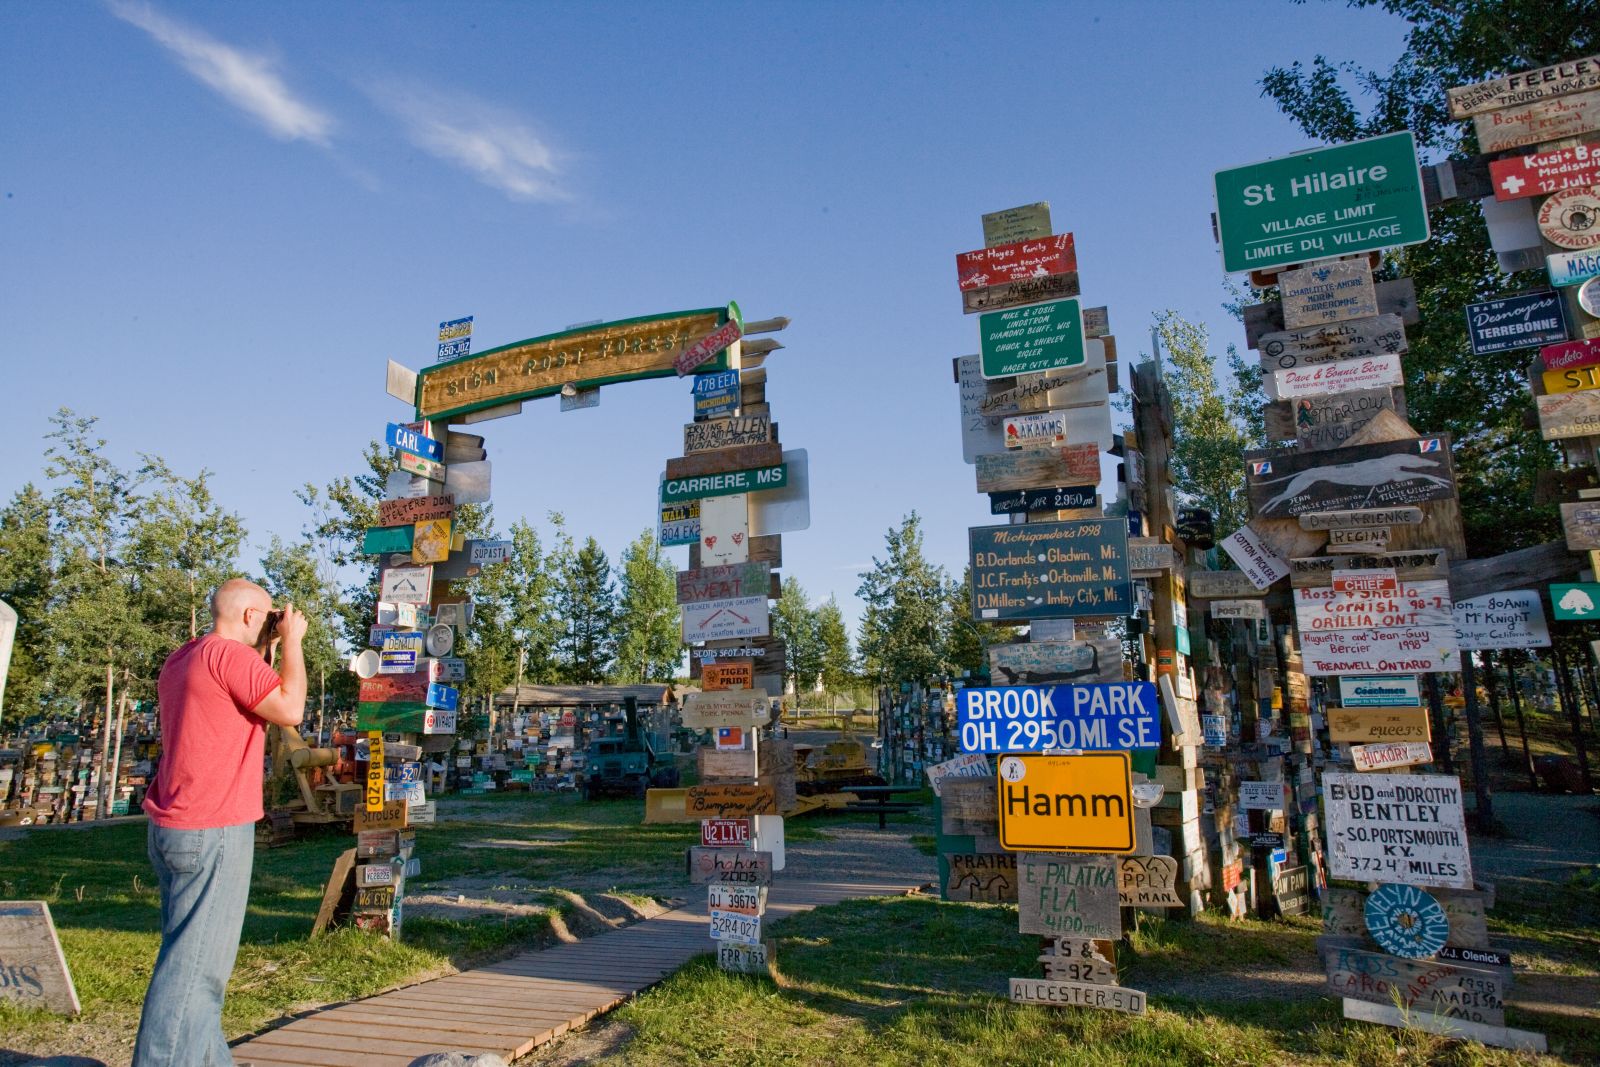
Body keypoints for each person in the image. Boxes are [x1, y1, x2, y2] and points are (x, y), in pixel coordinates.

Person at [133, 578, 307, 1066]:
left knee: (192, 956)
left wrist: (266, 648)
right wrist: (291, 642)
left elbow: (246, 702)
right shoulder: (231, 658)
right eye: (268, 615)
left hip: (173, 822)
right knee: (195, 972)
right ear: (251, 616)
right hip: (214, 826)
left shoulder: (184, 656)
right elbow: (288, 707)